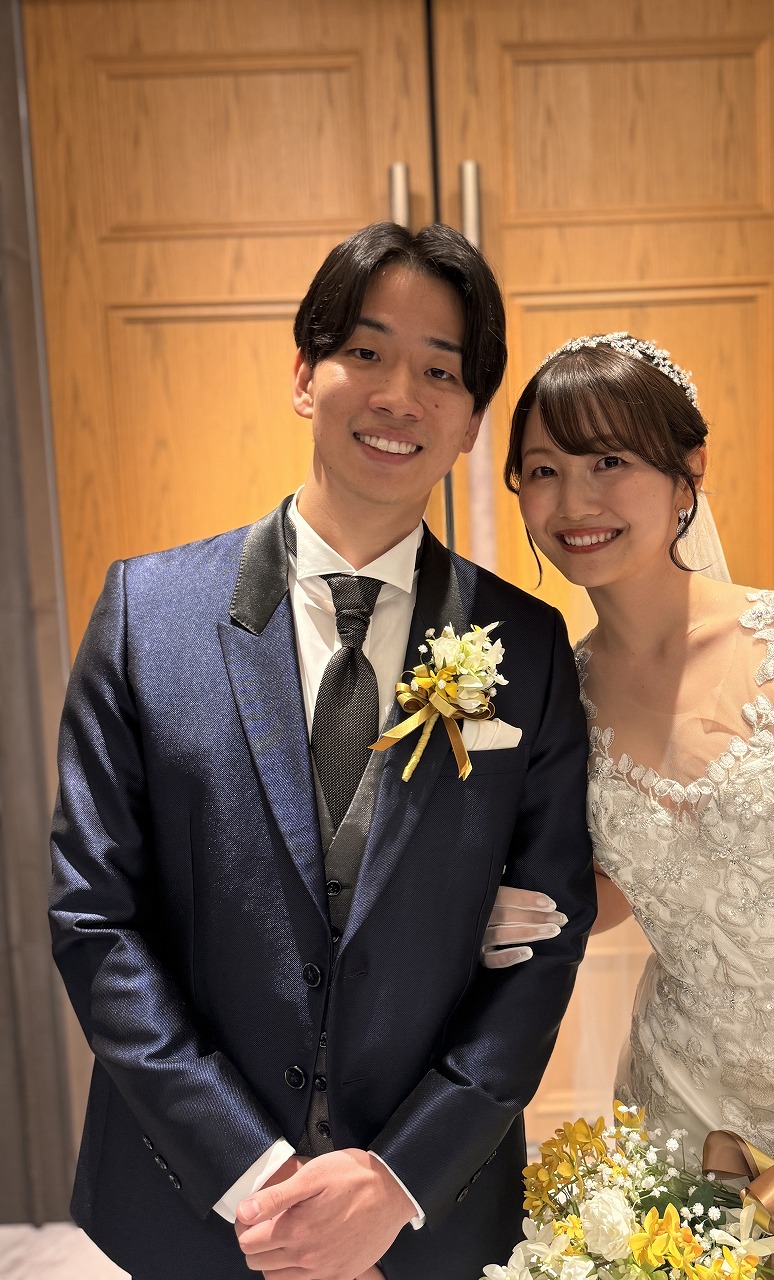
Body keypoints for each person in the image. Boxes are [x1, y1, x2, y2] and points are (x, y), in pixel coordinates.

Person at [48, 222, 597, 1280]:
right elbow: (93, 917)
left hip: (427, 1211)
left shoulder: (527, 648)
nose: (399, 396)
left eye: (441, 371)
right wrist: (253, 1172)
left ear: (471, 421)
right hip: (190, 1202)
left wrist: (397, 1178)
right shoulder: (144, 614)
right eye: (366, 352)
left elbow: (546, 943)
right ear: (305, 375)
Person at [485, 332, 774, 1276]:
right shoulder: (558, 698)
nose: (574, 502)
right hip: (686, 1117)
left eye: (609, 462)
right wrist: (503, 910)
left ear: (688, 470)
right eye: (543, 470)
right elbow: (627, 885)